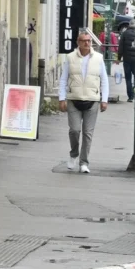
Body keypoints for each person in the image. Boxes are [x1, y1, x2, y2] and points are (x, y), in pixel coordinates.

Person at [58, 30, 109, 174]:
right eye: (84, 41)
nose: (87, 43)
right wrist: (62, 98)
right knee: (74, 130)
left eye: (89, 41)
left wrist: (104, 99)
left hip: (92, 100)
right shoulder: (70, 57)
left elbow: (104, 80)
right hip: (74, 98)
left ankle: (84, 162)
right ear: (78, 42)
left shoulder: (98, 58)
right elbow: (63, 79)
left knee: (88, 133)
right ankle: (74, 154)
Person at [119, 22, 135, 102]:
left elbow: (121, 47)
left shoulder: (124, 34)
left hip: (126, 60)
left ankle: (130, 96)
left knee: (128, 78)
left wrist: (119, 58)